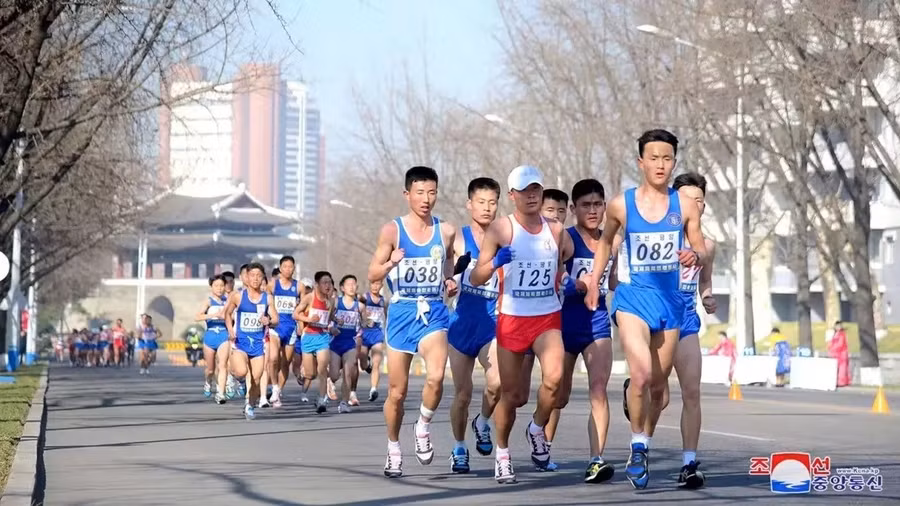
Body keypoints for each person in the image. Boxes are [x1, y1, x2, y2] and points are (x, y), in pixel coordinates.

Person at [584, 129, 707, 489]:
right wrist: (594, 282)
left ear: (673, 162)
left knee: (656, 387)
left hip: (670, 305)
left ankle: (645, 440)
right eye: (653, 158)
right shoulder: (621, 205)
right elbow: (606, 243)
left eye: (667, 158)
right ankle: (638, 446)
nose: (660, 164)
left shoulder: (683, 207)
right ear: (641, 162)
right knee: (639, 375)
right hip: (633, 300)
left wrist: (692, 255)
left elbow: (699, 248)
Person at [471, 165, 568, 484]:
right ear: (512, 195)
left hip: (547, 317)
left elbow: (564, 260)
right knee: (511, 396)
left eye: (536, 190)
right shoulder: (500, 229)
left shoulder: (555, 230)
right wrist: (494, 263)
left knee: (554, 380)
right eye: (525, 191)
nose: (532, 196)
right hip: (512, 318)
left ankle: (537, 428)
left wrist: (564, 278)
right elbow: (476, 275)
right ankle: (502, 453)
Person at [623, 171, 717, 489]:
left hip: (687, 319)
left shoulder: (708, 247)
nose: (695, 205)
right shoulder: (662, 233)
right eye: (689, 199)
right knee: (657, 393)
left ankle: (689, 463)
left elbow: (705, 282)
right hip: (657, 315)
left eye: (700, 200)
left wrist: (707, 297)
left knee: (691, 391)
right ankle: (642, 446)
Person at [368, 166, 457, 478]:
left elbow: (447, 261)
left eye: (431, 192)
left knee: (436, 378)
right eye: (420, 192)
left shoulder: (445, 230)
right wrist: (391, 262)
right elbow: (373, 275)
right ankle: (393, 448)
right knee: (397, 392)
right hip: (402, 313)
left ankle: (422, 426)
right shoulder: (392, 231)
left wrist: (448, 280)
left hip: (433, 311)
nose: (426, 199)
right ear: (407, 194)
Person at [544, 178, 617, 483]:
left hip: (596, 323)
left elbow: (613, 283)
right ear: (574, 209)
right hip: (563, 324)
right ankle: (542, 447)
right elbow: (551, 273)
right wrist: (573, 283)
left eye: (597, 204)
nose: (592, 210)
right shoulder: (566, 239)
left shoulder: (612, 242)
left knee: (599, 389)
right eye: (585, 205)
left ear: (604, 206)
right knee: (558, 396)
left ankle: (596, 459)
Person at [447, 177, 502, 474]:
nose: (487, 208)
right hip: (460, 325)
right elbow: (445, 270)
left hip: (491, 325)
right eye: (481, 202)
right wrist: (449, 283)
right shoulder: (458, 239)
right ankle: (459, 447)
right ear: (470, 204)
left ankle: (482, 421)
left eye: (492, 202)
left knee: (496, 383)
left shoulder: (504, 239)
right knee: (462, 394)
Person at [224, 262, 278, 420]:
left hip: (258, 345)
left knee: (256, 378)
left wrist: (269, 321)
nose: (255, 279)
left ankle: (249, 405)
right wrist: (230, 330)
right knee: (241, 371)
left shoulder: (267, 298)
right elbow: (227, 314)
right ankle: (235, 377)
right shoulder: (238, 296)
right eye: (252, 275)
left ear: (262, 278)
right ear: (246, 277)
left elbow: (276, 319)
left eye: (258, 276)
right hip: (240, 343)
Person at [294, 271, 338, 411]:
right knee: (310, 374)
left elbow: (329, 317)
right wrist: (308, 320)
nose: (327, 285)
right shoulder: (309, 298)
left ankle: (321, 400)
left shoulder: (331, 300)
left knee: (322, 369)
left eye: (329, 282)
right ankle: (304, 375)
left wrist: (336, 321)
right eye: (324, 282)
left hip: (322, 337)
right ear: (317, 285)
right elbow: (295, 314)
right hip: (308, 337)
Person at [267, 256, 299, 408]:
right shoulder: (272, 285)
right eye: (285, 266)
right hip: (275, 326)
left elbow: (304, 305)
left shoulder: (299, 287)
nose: (287, 269)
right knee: (273, 358)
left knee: (285, 362)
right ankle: (273, 387)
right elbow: (264, 302)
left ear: (294, 268)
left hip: (291, 328)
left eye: (290, 266)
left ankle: (278, 390)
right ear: (280, 268)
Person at [197, 274, 233, 403]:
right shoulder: (208, 301)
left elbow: (233, 316)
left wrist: (229, 318)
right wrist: (214, 315)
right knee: (211, 369)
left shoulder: (228, 301)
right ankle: (208, 381)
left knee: (223, 365)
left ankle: (220, 393)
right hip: (210, 335)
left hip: (224, 334)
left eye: (222, 285)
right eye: (216, 286)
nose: (219, 288)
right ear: (211, 287)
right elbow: (198, 317)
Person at [331, 275, 364, 413]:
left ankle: (344, 402)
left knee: (347, 373)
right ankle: (328, 383)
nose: (352, 287)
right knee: (333, 375)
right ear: (342, 288)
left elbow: (365, 323)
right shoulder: (336, 302)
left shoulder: (360, 306)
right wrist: (331, 328)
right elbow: (325, 318)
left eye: (354, 284)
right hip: (334, 343)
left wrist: (368, 324)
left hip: (350, 343)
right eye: (348, 284)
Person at [358, 279, 387, 402]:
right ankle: (366, 364)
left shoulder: (383, 301)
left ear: (381, 285)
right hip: (364, 333)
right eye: (373, 284)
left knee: (376, 364)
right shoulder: (365, 297)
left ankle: (373, 389)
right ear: (369, 285)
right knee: (363, 364)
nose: (375, 287)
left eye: (378, 284)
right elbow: (356, 309)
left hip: (377, 334)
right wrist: (364, 315)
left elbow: (388, 316)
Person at [828, 321, 850, 387]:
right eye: (837, 326)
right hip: (836, 354)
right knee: (836, 368)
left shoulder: (842, 334)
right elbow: (832, 343)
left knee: (842, 369)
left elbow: (840, 344)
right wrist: (830, 348)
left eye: (839, 326)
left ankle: (842, 382)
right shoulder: (835, 333)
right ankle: (837, 381)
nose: (838, 327)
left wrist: (833, 348)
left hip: (841, 353)